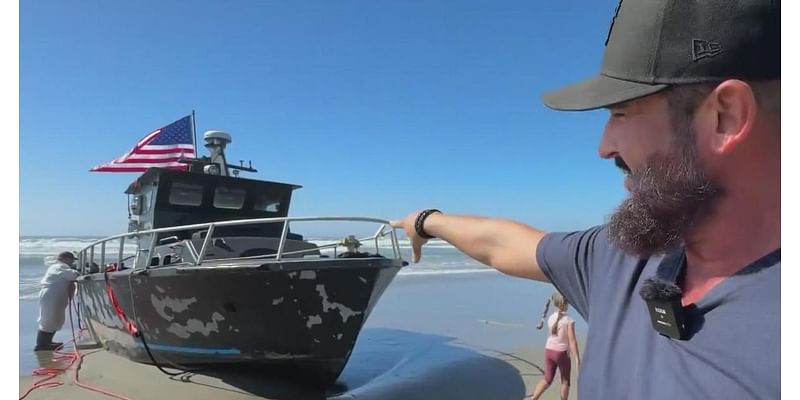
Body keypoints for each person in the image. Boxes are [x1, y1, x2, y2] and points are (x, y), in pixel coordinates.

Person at [391, 0, 779, 398]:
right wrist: (425, 221)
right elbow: (503, 243)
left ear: (725, 117)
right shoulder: (623, 259)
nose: (604, 147)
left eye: (621, 114)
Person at [530, 293, 579, 400]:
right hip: (561, 353)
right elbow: (572, 341)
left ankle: (533, 398)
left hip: (549, 351)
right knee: (565, 381)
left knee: (547, 378)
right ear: (564, 304)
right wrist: (577, 359)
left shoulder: (551, 317)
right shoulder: (569, 320)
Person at [36, 251, 79, 351]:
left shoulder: (60, 267)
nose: (72, 262)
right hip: (51, 295)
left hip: (55, 295)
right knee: (48, 319)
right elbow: (73, 275)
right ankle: (42, 344)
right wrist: (77, 270)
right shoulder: (59, 266)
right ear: (65, 259)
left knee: (56, 319)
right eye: (71, 259)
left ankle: (48, 341)